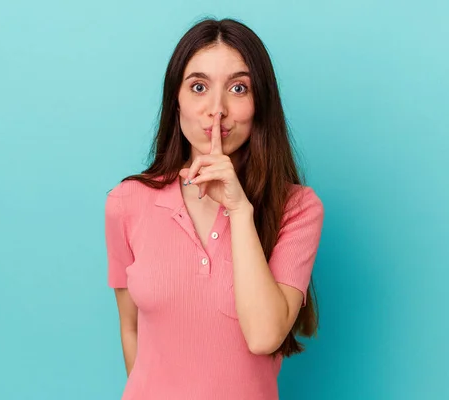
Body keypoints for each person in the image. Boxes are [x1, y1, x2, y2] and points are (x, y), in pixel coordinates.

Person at [104, 17, 325, 400]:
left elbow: (264, 336)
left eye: (238, 88)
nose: (216, 109)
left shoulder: (298, 209)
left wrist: (240, 211)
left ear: (260, 105)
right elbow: (131, 328)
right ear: (176, 99)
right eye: (199, 87)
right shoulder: (126, 203)